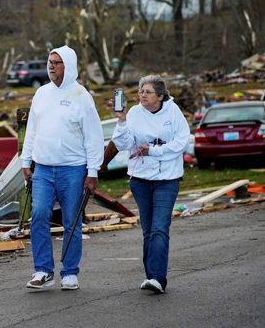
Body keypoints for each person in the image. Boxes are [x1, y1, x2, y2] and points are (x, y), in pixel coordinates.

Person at [21, 45, 104, 290]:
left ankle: (70, 272)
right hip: (43, 169)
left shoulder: (81, 96)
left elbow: (93, 136)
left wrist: (93, 171)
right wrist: (26, 161)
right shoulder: (41, 94)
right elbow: (31, 130)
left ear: (68, 66)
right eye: (49, 62)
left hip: (73, 169)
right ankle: (43, 271)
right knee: (38, 215)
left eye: (56, 62)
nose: (51, 66)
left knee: (72, 221)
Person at [108, 74, 189, 294]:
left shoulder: (173, 112)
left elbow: (181, 142)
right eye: (140, 91)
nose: (142, 95)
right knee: (148, 231)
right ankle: (150, 276)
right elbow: (124, 143)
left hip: (167, 179)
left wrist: (153, 150)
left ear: (161, 96)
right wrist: (122, 119)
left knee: (160, 229)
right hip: (141, 180)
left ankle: (158, 278)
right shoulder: (134, 113)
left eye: (148, 91)